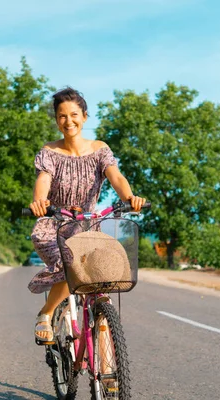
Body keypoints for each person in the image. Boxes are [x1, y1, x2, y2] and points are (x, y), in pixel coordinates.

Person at [28, 87, 146, 342]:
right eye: (62, 116)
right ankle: (46, 314)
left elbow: (116, 177)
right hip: (54, 224)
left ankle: (110, 377)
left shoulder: (100, 150)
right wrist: (39, 201)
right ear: (56, 120)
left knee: (104, 273)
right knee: (69, 265)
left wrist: (129, 198)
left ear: (84, 117)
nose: (68, 121)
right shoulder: (50, 152)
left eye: (74, 115)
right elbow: (43, 180)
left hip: (86, 226)